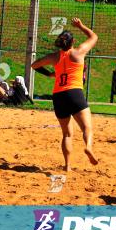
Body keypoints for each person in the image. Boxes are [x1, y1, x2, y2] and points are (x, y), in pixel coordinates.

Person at [31, 17, 99, 171]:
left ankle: (67, 166)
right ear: (72, 41)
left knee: (67, 134)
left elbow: (34, 65)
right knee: (87, 127)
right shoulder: (78, 52)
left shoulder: (54, 57)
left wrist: (49, 74)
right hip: (74, 93)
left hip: (59, 96)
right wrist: (81, 25)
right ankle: (88, 147)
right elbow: (94, 37)